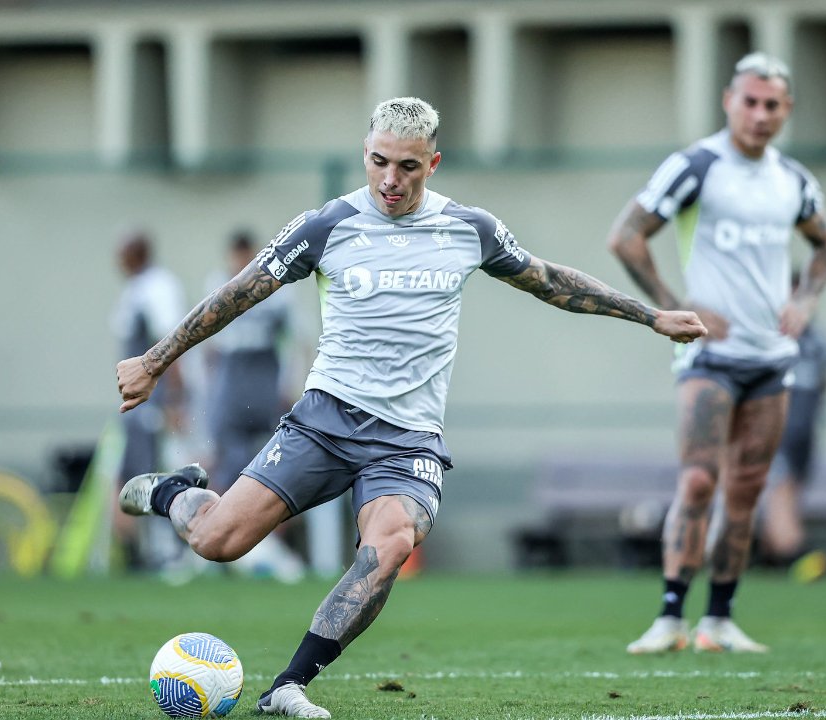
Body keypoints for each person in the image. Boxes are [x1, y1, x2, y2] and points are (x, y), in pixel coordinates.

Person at [117, 96, 705, 718]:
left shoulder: (469, 229)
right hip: (324, 420)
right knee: (216, 541)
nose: (390, 181)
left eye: (407, 168)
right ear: (364, 156)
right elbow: (236, 296)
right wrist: (155, 360)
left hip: (408, 439)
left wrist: (650, 316)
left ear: (433, 164)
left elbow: (551, 280)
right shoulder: (326, 226)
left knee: (392, 542)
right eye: (379, 163)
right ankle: (173, 494)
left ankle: (288, 686)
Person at [608, 52, 826, 654]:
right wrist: (671, 306)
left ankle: (719, 621)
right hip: (709, 358)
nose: (760, 114)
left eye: (773, 105)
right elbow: (626, 236)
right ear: (729, 101)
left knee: (746, 489)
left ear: (786, 111)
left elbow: (825, 247)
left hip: (770, 360)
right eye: (751, 102)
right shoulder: (698, 165)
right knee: (700, 479)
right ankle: (668, 618)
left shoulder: (793, 180)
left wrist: (808, 301)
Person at [202, 231, 305, 582]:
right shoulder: (219, 284)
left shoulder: (277, 288)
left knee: (277, 469)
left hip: (265, 384)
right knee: (226, 468)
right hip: (231, 383)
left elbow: (295, 342)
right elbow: (209, 347)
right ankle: (213, 549)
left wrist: (291, 387)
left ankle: (273, 554)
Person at [110, 231, 188, 572]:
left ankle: (168, 554)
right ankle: (138, 555)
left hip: (153, 403)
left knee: (155, 473)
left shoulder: (158, 287)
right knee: (129, 475)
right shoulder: (135, 288)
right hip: (135, 405)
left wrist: (174, 400)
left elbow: (169, 344)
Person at [759, 272, 826, 577]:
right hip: (779, 428)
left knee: (794, 487)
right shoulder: (768, 336)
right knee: (781, 486)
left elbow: (825, 382)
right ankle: (794, 553)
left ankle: (771, 553)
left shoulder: (817, 341)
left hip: (805, 430)